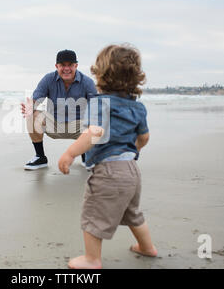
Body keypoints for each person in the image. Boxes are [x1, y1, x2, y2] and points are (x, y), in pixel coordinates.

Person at [58, 44, 157, 269]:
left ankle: (92, 259)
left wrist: (70, 152)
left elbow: (94, 132)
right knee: (132, 213)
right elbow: (144, 137)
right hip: (132, 170)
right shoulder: (137, 107)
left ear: (100, 76)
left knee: (93, 213)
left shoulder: (99, 102)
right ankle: (147, 247)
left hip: (108, 172)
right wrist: (134, 151)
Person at [21, 49, 97, 170]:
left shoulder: (87, 82)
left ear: (76, 66)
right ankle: (40, 157)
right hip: (54, 124)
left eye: (70, 65)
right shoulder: (48, 79)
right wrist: (30, 107)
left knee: (97, 119)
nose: (66, 69)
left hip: (79, 126)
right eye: (62, 65)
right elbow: (36, 100)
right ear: (57, 66)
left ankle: (86, 156)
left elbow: (96, 107)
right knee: (32, 114)